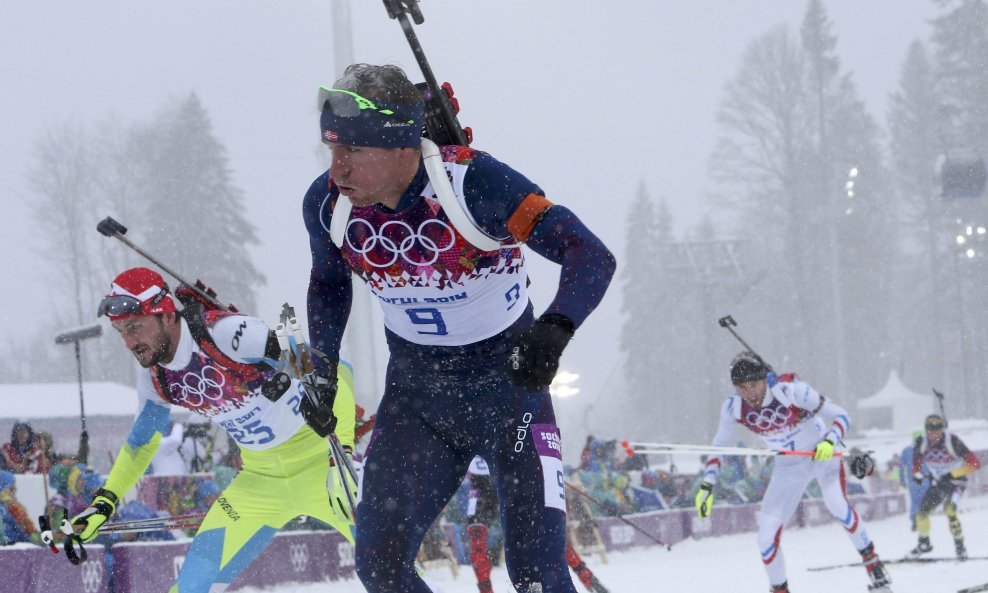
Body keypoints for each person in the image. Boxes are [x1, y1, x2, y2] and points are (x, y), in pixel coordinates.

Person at [303, 63, 615, 593]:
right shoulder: (329, 206)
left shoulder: (475, 183)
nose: (337, 171)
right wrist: (323, 367)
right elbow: (330, 285)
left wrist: (554, 330)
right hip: (417, 402)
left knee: (538, 577)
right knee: (379, 568)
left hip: (509, 393)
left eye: (352, 152)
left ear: (402, 146)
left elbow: (589, 253)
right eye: (330, 152)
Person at [71, 267, 357, 592]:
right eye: (121, 331)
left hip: (323, 465)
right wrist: (103, 504)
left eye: (136, 327)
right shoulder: (155, 377)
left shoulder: (227, 334)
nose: (130, 342)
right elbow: (140, 445)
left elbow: (336, 374)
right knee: (190, 588)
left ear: (166, 314)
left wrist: (342, 456)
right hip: (260, 484)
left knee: (386, 571)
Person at [694, 352, 891, 593]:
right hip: (788, 465)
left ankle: (873, 565)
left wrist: (830, 440)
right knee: (765, 538)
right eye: (742, 388)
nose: (750, 393)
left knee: (836, 504)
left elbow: (841, 416)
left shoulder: (793, 392)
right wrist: (708, 483)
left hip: (821, 454)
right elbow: (718, 446)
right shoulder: (733, 407)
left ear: (765, 379)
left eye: (754, 385)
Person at [908, 414, 982, 559]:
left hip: (957, 482)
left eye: (937, 431)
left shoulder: (953, 441)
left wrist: (953, 474)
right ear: (926, 430)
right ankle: (924, 544)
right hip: (939, 483)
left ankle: (960, 547)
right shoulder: (921, 443)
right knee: (922, 512)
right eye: (930, 431)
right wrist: (917, 475)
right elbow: (916, 464)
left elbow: (975, 463)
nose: (934, 435)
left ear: (943, 430)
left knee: (950, 510)